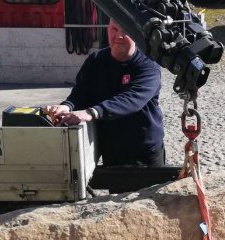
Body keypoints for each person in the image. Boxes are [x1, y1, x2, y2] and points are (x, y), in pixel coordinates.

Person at [47, 20, 165, 167]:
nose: (119, 35)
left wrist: (92, 112)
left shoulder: (148, 65)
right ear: (107, 30)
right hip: (111, 149)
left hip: (143, 149)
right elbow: (81, 92)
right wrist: (67, 106)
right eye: (114, 29)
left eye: (126, 31)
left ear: (137, 34)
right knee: (118, 189)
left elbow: (132, 99)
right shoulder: (96, 60)